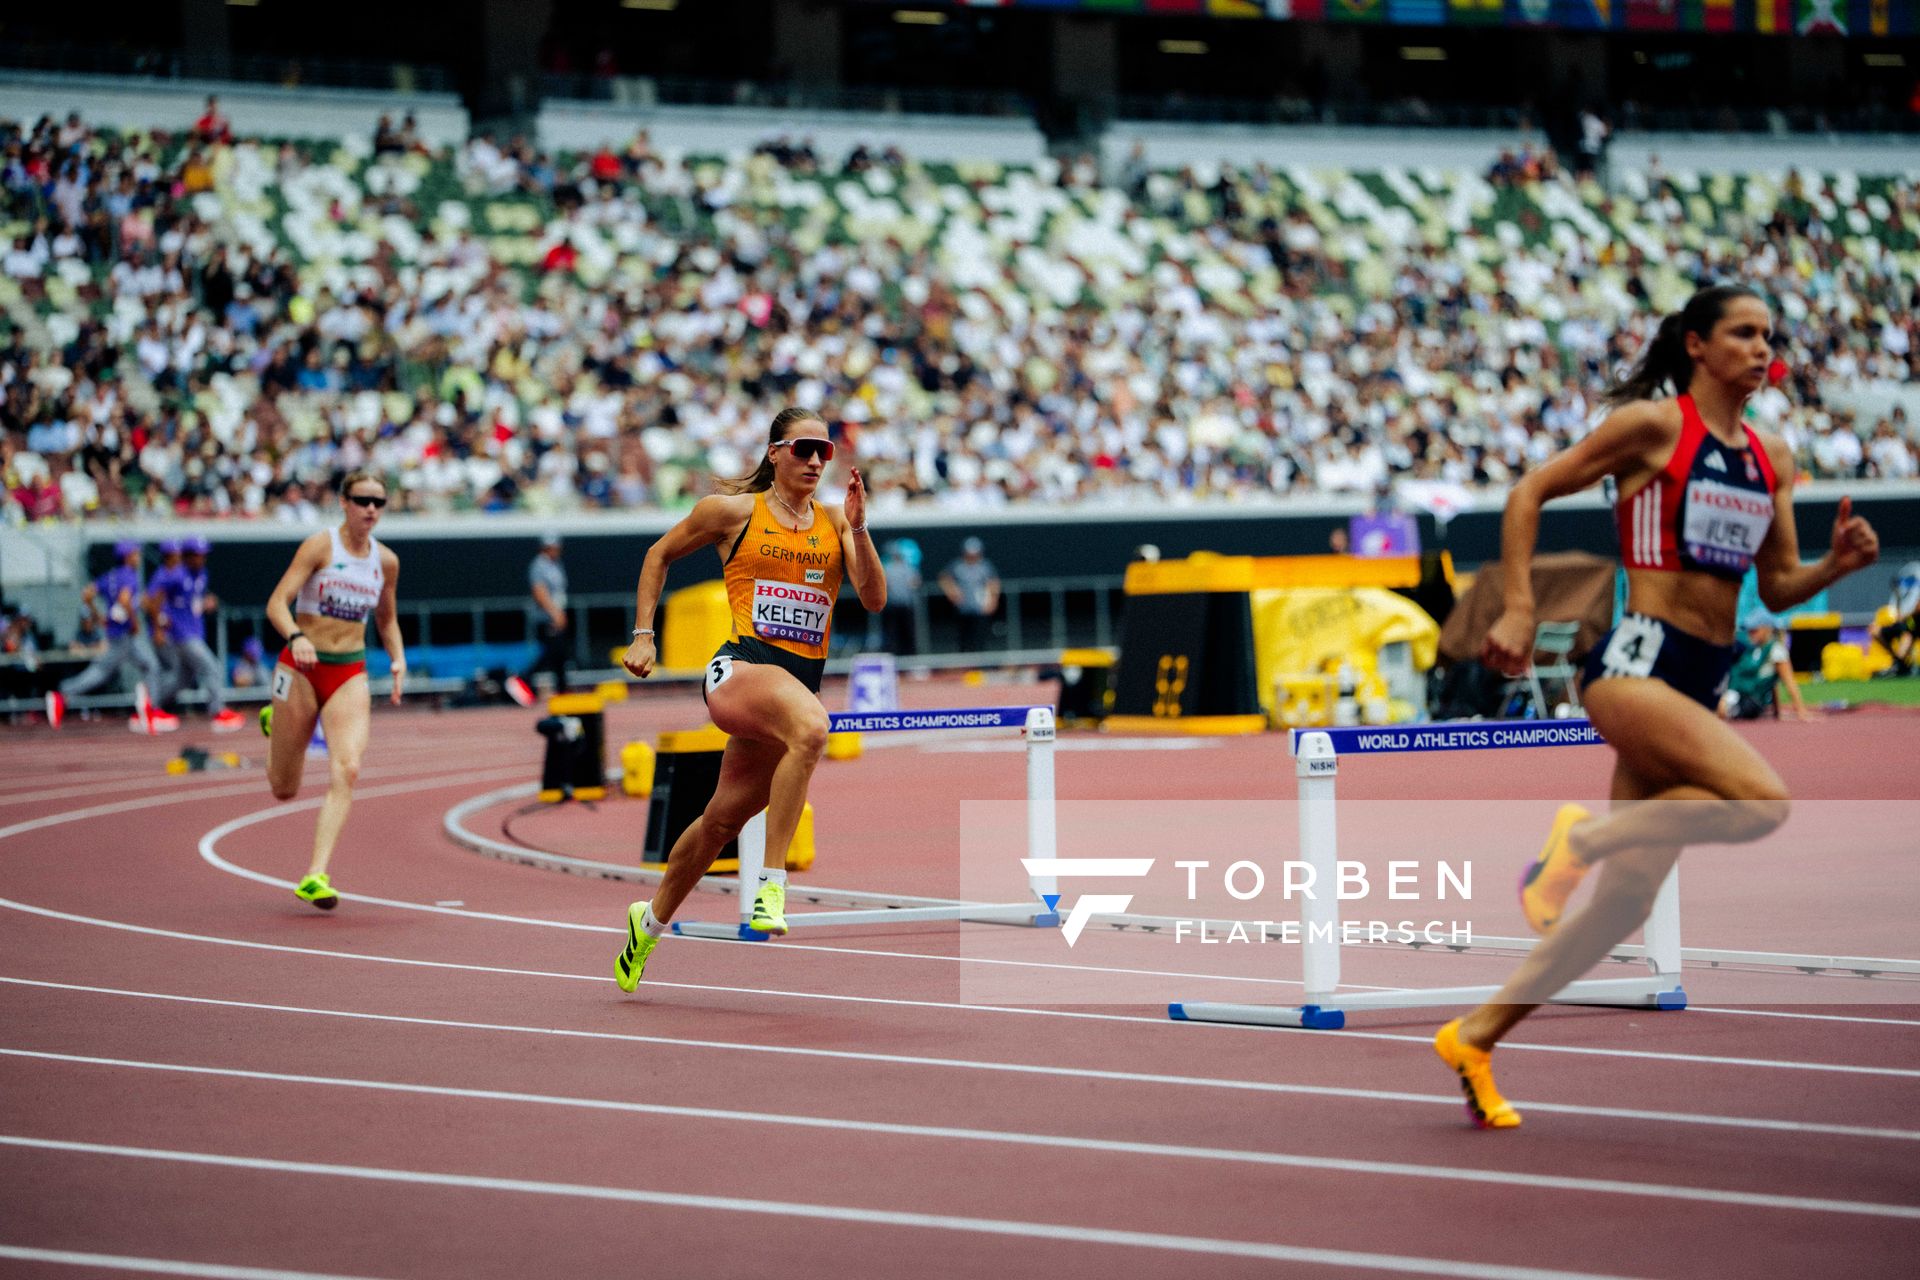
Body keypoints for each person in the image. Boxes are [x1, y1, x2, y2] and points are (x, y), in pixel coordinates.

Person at [1442, 284, 1879, 1128]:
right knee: (1760, 805)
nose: (1762, 349)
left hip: (1702, 676)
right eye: (1743, 334)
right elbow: (1529, 491)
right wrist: (1522, 607)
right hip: (1635, 665)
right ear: (1694, 344)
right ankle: (1583, 837)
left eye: (1769, 335)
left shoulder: (1771, 457)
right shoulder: (1654, 428)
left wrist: (1837, 566)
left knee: (1624, 904)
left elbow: (1778, 587)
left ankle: (1476, 1034)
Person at [611, 407, 885, 990]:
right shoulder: (734, 512)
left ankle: (649, 922)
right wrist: (643, 636)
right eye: (803, 449)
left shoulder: (836, 522)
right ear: (774, 453)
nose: (815, 461)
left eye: (825, 452)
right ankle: (771, 883)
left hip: (793, 686)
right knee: (813, 729)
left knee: (719, 821)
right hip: (739, 669)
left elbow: (874, 597)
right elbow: (657, 555)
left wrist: (859, 527)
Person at [260, 471, 407, 910]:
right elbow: (276, 603)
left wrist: (397, 659)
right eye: (362, 500)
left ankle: (315, 874)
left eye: (379, 502)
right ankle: (277, 724)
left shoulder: (387, 561)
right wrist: (295, 637)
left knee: (348, 768)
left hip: (348, 672)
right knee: (283, 788)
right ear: (343, 502)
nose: (371, 509)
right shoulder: (320, 546)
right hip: (302, 669)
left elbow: (386, 619)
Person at [46, 539, 170, 732]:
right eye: (136, 554)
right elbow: (124, 600)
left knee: (144, 666)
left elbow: (87, 594)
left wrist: (98, 616)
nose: (138, 557)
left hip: (116, 633)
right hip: (124, 634)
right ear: (128, 556)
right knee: (110, 671)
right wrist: (134, 622)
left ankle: (149, 707)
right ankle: (64, 693)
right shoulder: (129, 575)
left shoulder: (110, 576)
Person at [150, 535, 246, 731]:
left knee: (183, 679)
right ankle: (218, 712)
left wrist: (206, 603)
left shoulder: (202, 574)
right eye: (197, 555)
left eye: (203, 555)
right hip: (182, 634)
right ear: (186, 556)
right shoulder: (175, 574)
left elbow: (192, 601)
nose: (202, 558)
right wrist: (158, 627)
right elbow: (154, 599)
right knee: (212, 667)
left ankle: (150, 702)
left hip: (195, 630)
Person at [506, 533, 570, 707]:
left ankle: (562, 691)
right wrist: (554, 613)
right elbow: (539, 591)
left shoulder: (555, 565)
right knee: (551, 653)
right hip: (546, 617)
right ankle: (521, 679)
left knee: (558, 655)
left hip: (556, 613)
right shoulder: (539, 566)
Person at [1720, 610, 1811, 721]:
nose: (1750, 634)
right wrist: (1777, 712)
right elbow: (1772, 682)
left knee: (1714, 709)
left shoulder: (1777, 650)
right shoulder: (1753, 649)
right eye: (1749, 631)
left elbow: (1788, 681)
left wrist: (1801, 711)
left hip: (1747, 701)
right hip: (1734, 694)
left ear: (1767, 628)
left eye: (1754, 630)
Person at [939, 536, 1000, 653]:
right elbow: (944, 577)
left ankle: (981, 663)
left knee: (980, 637)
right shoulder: (957, 565)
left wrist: (993, 600)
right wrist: (952, 592)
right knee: (963, 638)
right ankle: (965, 663)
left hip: (980, 607)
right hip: (963, 607)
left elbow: (993, 582)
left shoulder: (985, 566)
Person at [877, 538, 922, 656]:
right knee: (892, 633)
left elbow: (915, 582)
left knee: (909, 632)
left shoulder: (908, 567)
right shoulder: (887, 568)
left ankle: (911, 658)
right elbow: (883, 584)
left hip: (907, 604)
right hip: (892, 605)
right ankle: (893, 658)